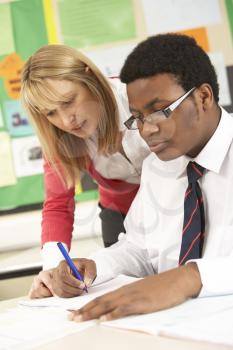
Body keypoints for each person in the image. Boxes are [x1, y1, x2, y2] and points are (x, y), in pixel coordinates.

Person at [35, 33, 233, 322]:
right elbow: (140, 249)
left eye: (159, 111)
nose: (146, 130)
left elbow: (187, 275)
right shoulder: (159, 166)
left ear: (203, 97)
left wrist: (189, 277)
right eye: (137, 117)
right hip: (176, 324)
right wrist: (95, 265)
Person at [21, 44, 150, 298]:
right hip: (120, 216)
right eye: (51, 112)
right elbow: (58, 205)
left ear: (89, 76)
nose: (66, 120)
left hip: (174, 204)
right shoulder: (59, 138)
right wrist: (52, 272)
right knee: (124, 290)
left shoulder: (139, 98)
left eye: (68, 101)